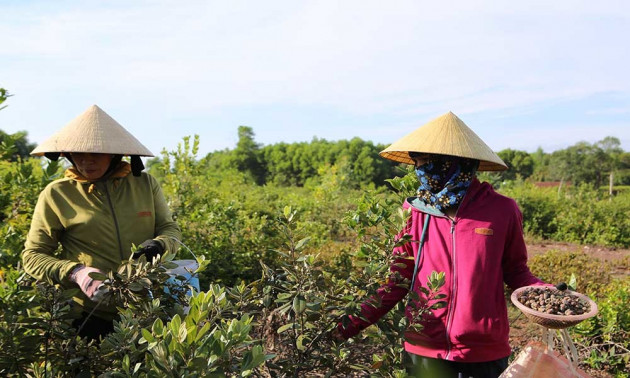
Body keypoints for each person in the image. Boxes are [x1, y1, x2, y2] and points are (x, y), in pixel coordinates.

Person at [337, 112, 548, 378]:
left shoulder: (502, 210)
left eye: (429, 161)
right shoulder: (414, 211)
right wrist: (348, 324)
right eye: (418, 160)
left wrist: (547, 295)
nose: (421, 168)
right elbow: (396, 279)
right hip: (424, 349)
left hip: (483, 351)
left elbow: (516, 271)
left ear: (455, 162)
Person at [22, 105, 181, 340]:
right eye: (78, 154)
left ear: (115, 153)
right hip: (84, 314)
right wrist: (76, 272)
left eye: (95, 154)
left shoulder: (145, 184)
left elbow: (170, 229)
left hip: (144, 308)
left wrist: (161, 245)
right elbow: (32, 256)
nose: (86, 162)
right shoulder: (57, 194)